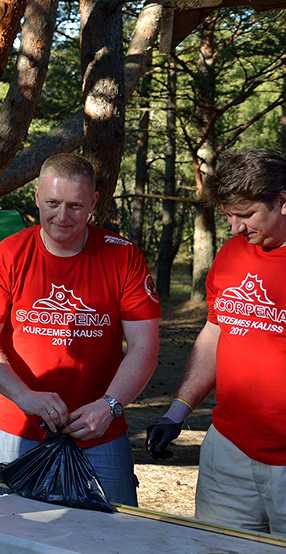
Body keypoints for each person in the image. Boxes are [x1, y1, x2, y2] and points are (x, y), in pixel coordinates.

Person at [0, 153, 161, 506]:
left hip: (99, 425)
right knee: (18, 526)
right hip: (20, 424)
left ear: (94, 203)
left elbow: (145, 345)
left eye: (75, 206)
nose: (62, 216)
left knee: (113, 526)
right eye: (53, 203)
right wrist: (24, 396)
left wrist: (110, 406)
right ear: (37, 196)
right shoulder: (7, 255)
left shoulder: (123, 256)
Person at [145, 148, 286, 536]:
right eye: (228, 215)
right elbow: (215, 333)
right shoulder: (231, 254)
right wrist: (178, 411)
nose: (235, 227)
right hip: (229, 451)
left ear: (282, 200)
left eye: (246, 214)